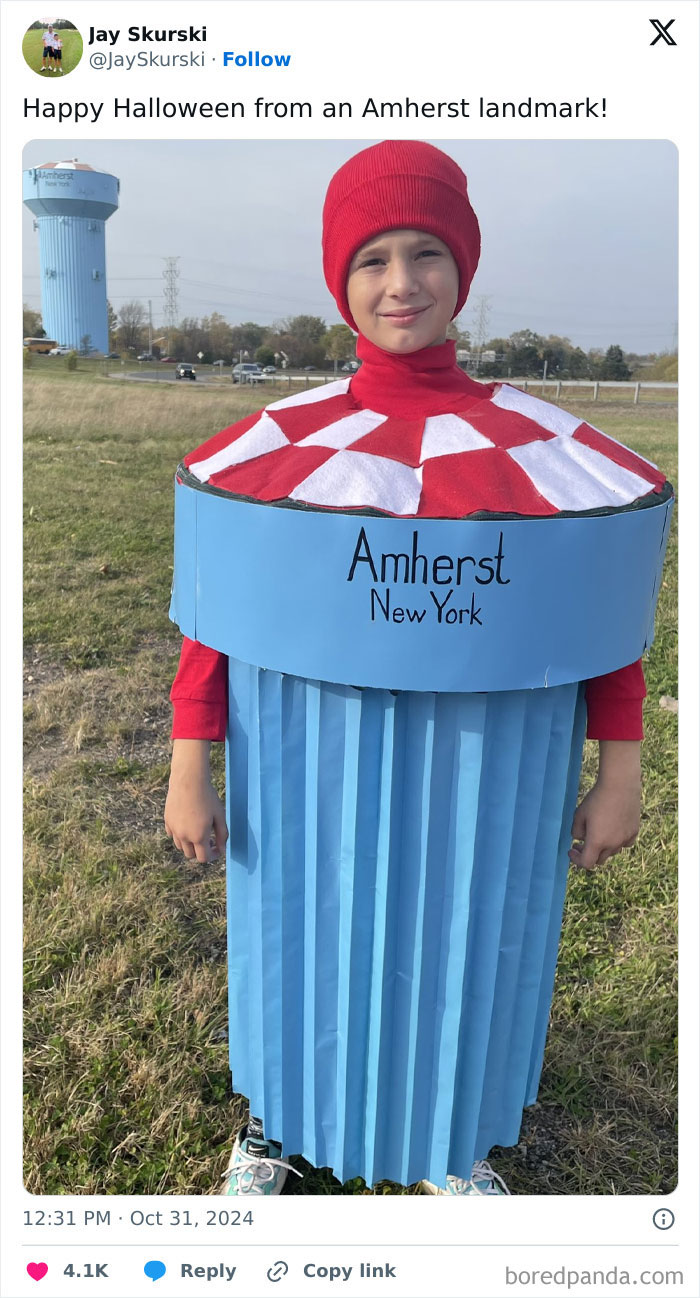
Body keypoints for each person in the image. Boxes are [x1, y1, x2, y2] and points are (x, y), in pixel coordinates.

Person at [165, 141, 670, 1197]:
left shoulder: (551, 458)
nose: (401, 283)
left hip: (491, 773)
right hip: (300, 767)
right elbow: (215, 623)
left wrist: (619, 771)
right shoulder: (275, 455)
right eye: (373, 259)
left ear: (464, 269)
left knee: (468, 932)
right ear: (339, 280)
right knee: (299, 925)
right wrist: (190, 765)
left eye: (428, 252)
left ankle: (453, 1134)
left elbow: (602, 626)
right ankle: (277, 1122)